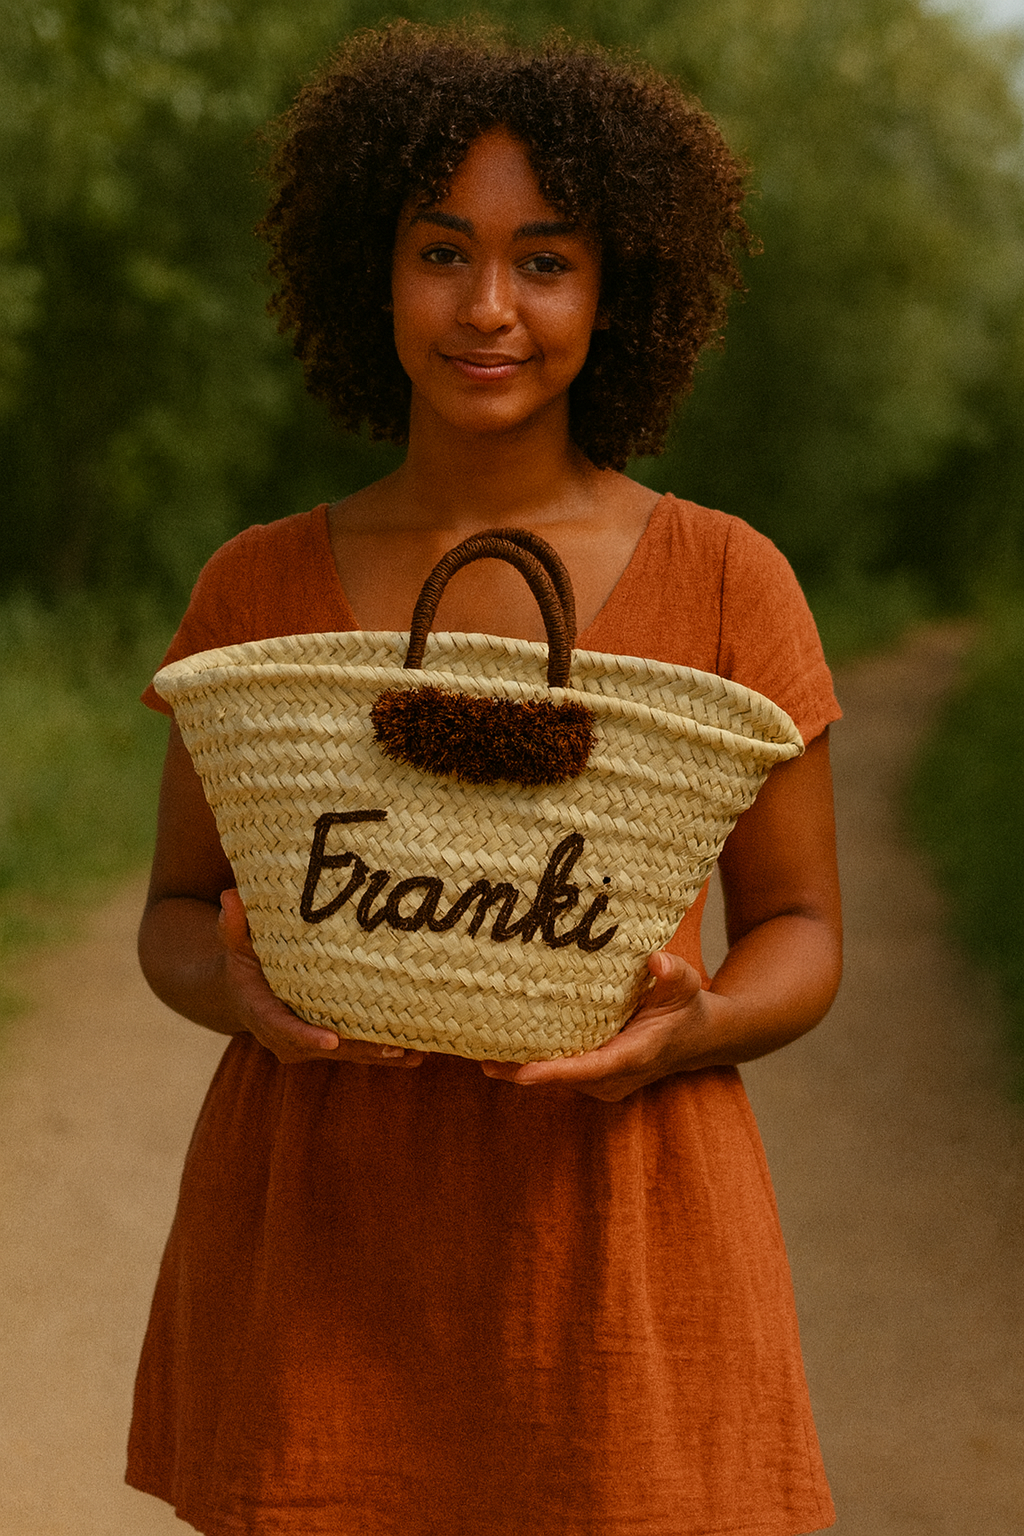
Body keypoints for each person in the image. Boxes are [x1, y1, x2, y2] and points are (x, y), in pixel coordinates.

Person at [127, 21, 843, 1536]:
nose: (489, 308)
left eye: (547, 261)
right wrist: (235, 995)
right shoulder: (256, 588)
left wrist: (697, 1024)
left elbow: (804, 932)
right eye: (442, 251)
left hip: (619, 1253)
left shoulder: (729, 582)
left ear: (617, 289)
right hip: (321, 1250)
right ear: (368, 273)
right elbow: (179, 913)